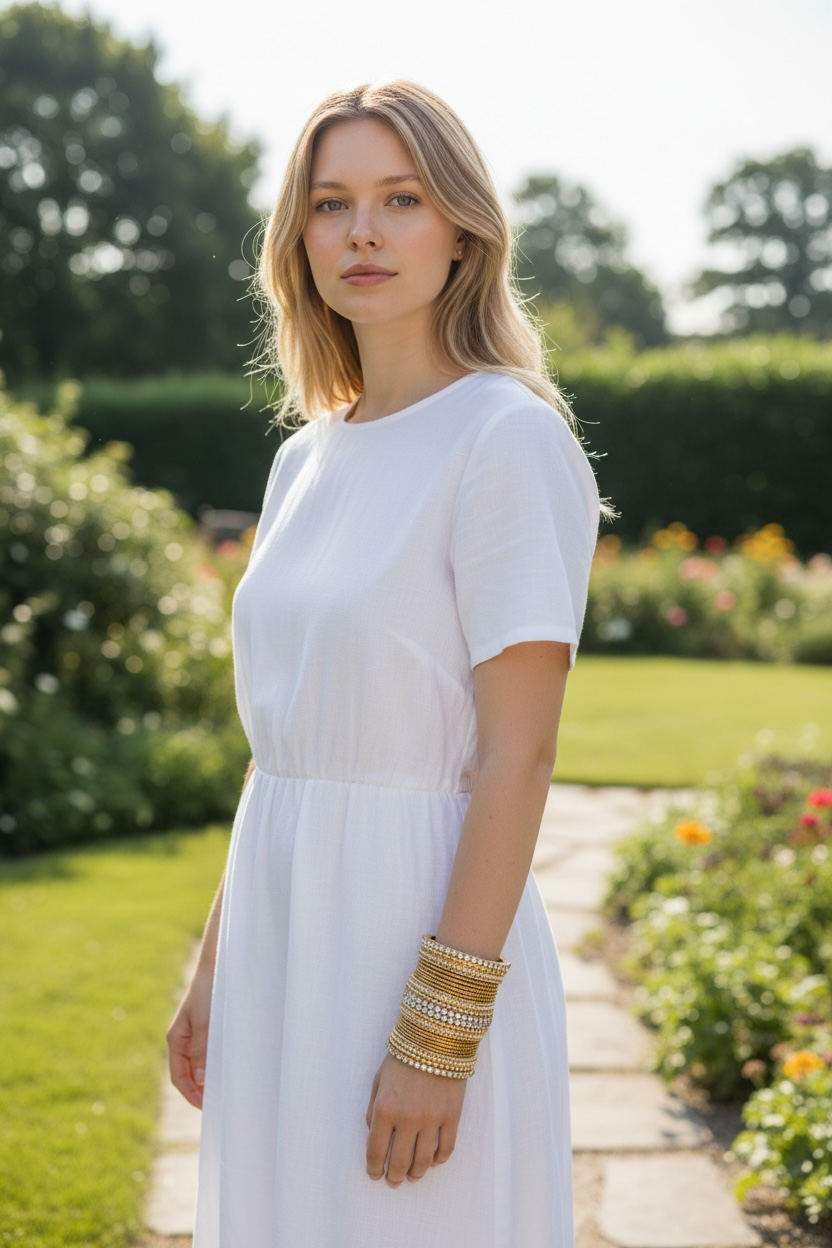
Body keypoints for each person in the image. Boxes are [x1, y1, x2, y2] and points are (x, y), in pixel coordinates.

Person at [167, 78, 605, 1248]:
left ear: (460, 229)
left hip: (410, 937)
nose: (362, 232)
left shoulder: (507, 439)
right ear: (297, 238)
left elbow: (519, 756)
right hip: (281, 932)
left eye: (400, 198)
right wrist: (215, 966)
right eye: (331, 203)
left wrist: (437, 1038)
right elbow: (284, 742)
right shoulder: (305, 457)